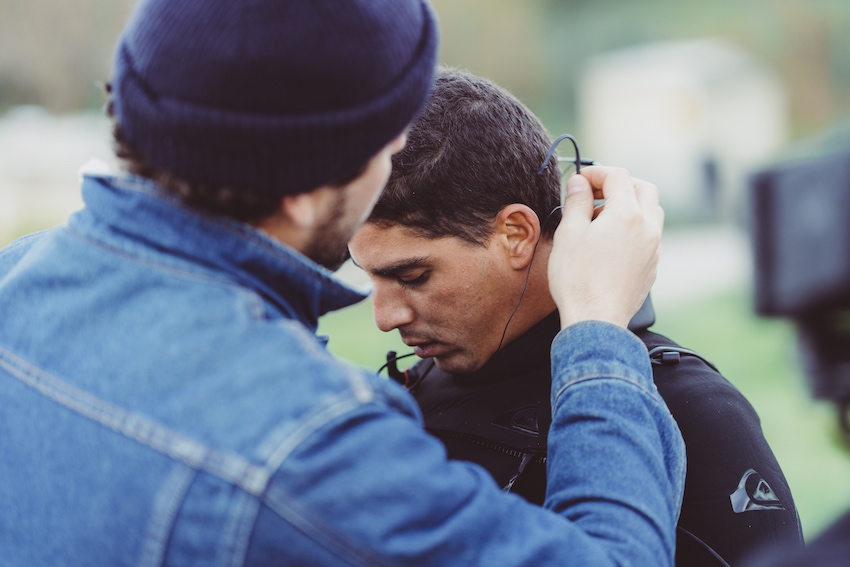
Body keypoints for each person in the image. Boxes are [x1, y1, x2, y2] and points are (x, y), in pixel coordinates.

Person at [0, 1, 685, 565]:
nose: (392, 163)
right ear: (302, 189)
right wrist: (596, 324)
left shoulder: (19, 277)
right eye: (385, 149)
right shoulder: (304, 446)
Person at [348, 67, 804, 567]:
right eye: (370, 278)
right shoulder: (413, 389)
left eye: (413, 276)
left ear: (516, 234)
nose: (384, 317)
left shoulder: (694, 410)